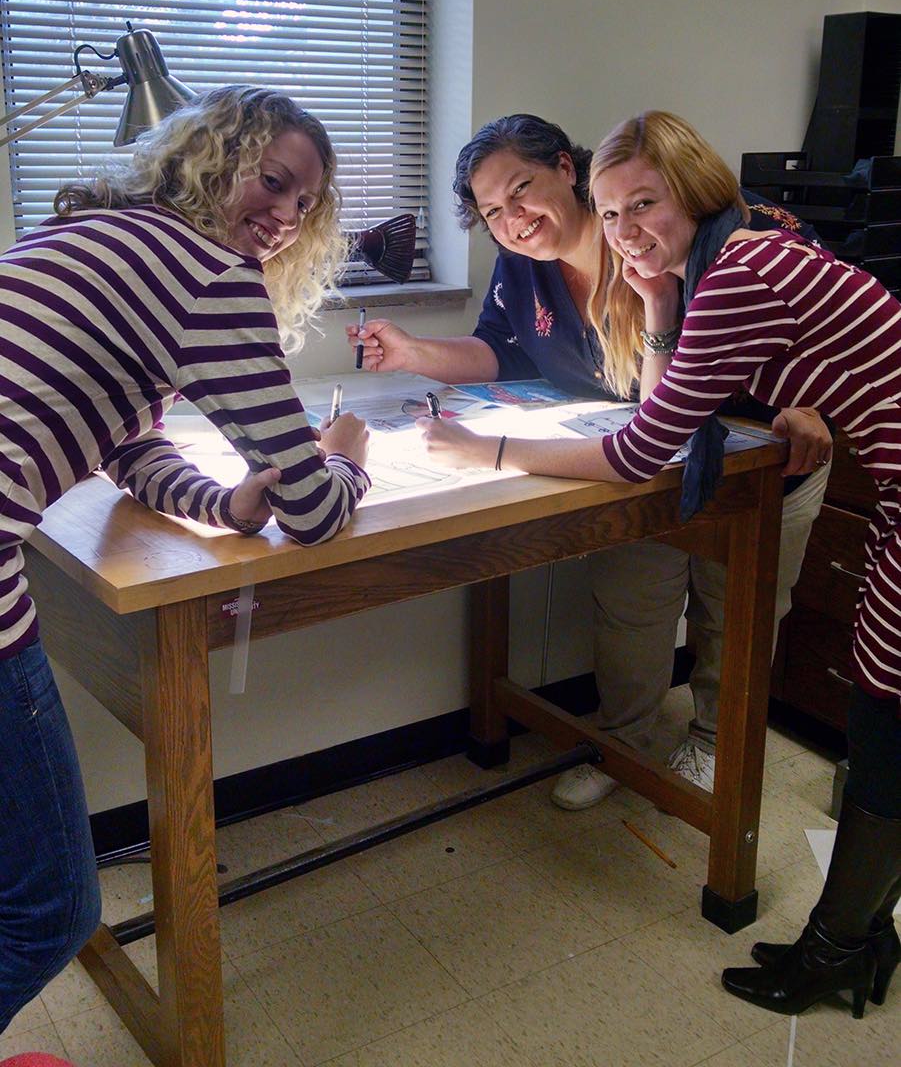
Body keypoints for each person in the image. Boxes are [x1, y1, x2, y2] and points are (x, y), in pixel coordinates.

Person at [416, 109, 901, 1019]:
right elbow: (669, 397)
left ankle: (840, 946)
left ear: (696, 188)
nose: (627, 229)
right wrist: (657, 302)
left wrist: (482, 451)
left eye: (645, 203)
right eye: (610, 214)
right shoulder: (711, 267)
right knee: (884, 717)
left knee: (881, 725)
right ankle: (863, 938)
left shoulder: (746, 262)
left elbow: (641, 448)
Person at [0, 86, 371, 1031]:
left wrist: (222, 502)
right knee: (52, 911)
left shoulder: (108, 236)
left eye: (303, 207)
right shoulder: (207, 275)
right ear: (212, 159)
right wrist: (347, 464)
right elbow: (318, 516)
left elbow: (127, 442)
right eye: (274, 183)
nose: (283, 218)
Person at [349, 113, 831, 804]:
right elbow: (504, 352)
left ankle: (714, 743)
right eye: (492, 211)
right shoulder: (524, 265)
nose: (513, 219)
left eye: (521, 191)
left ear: (566, 169)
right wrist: (416, 354)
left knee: (736, 613)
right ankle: (621, 740)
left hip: (758, 459)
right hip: (632, 461)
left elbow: (830, 315)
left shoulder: (709, 234)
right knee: (630, 606)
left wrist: (811, 401)